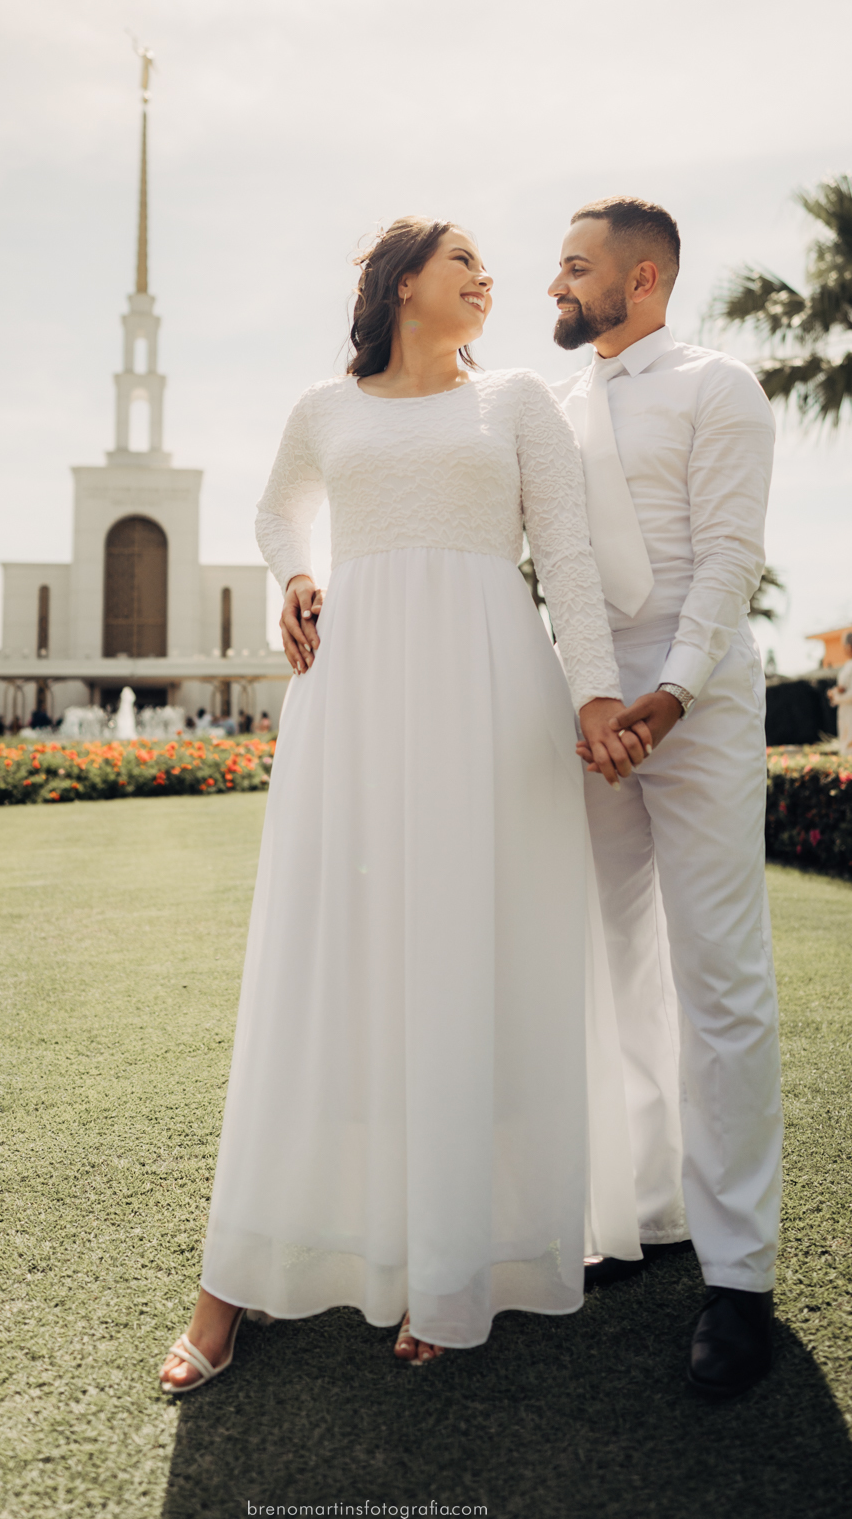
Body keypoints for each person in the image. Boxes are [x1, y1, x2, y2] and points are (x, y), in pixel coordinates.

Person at [159, 216, 641, 1392]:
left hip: (493, 694)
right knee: (327, 958)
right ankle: (232, 1286)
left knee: (478, 960)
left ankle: (453, 1269)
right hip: (357, 700)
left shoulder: (519, 399)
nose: (489, 277)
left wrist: (595, 698)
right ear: (402, 284)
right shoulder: (326, 408)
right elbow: (280, 512)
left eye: (488, 265)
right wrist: (300, 577)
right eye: (464, 259)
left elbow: (567, 559)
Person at [549, 196, 781, 1398]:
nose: (555, 286)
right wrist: (595, 696)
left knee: (721, 977)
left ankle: (739, 1275)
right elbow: (562, 562)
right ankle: (640, 1216)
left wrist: (673, 694)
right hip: (591, 714)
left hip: (699, 709)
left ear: (643, 280)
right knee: (610, 962)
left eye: (574, 269)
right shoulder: (554, 406)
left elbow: (731, 556)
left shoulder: (718, 386)